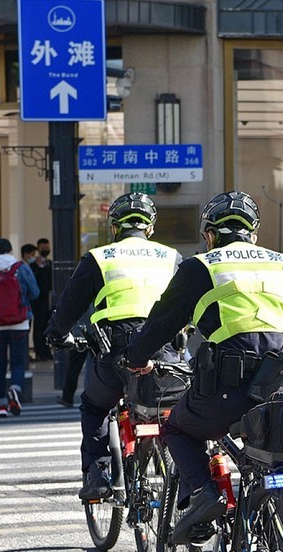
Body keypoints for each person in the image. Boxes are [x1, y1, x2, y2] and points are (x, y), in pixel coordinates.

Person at [124, 190, 283, 544]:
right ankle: (276, 536)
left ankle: (205, 494)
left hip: (227, 386)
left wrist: (136, 358)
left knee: (178, 429)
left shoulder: (200, 266)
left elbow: (162, 322)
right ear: (253, 232)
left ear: (210, 235)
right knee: (281, 457)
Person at [45, 193, 182, 500]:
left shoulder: (100, 257)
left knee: (94, 407)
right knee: (171, 411)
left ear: (115, 227)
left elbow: (68, 306)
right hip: (162, 351)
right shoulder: (172, 257)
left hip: (115, 351)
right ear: (150, 228)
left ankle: (98, 475)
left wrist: (56, 335)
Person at [0, 238, 40, 418]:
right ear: (11, 251)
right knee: (18, 363)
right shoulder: (21, 268)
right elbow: (35, 292)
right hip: (20, 323)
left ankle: (1, 406)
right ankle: (15, 389)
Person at [26, 242, 54, 361]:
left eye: (47, 248)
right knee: (39, 327)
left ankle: (46, 350)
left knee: (47, 326)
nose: (46, 250)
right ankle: (39, 350)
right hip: (38, 301)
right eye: (43, 248)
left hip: (49, 300)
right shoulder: (33, 266)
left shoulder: (51, 264)